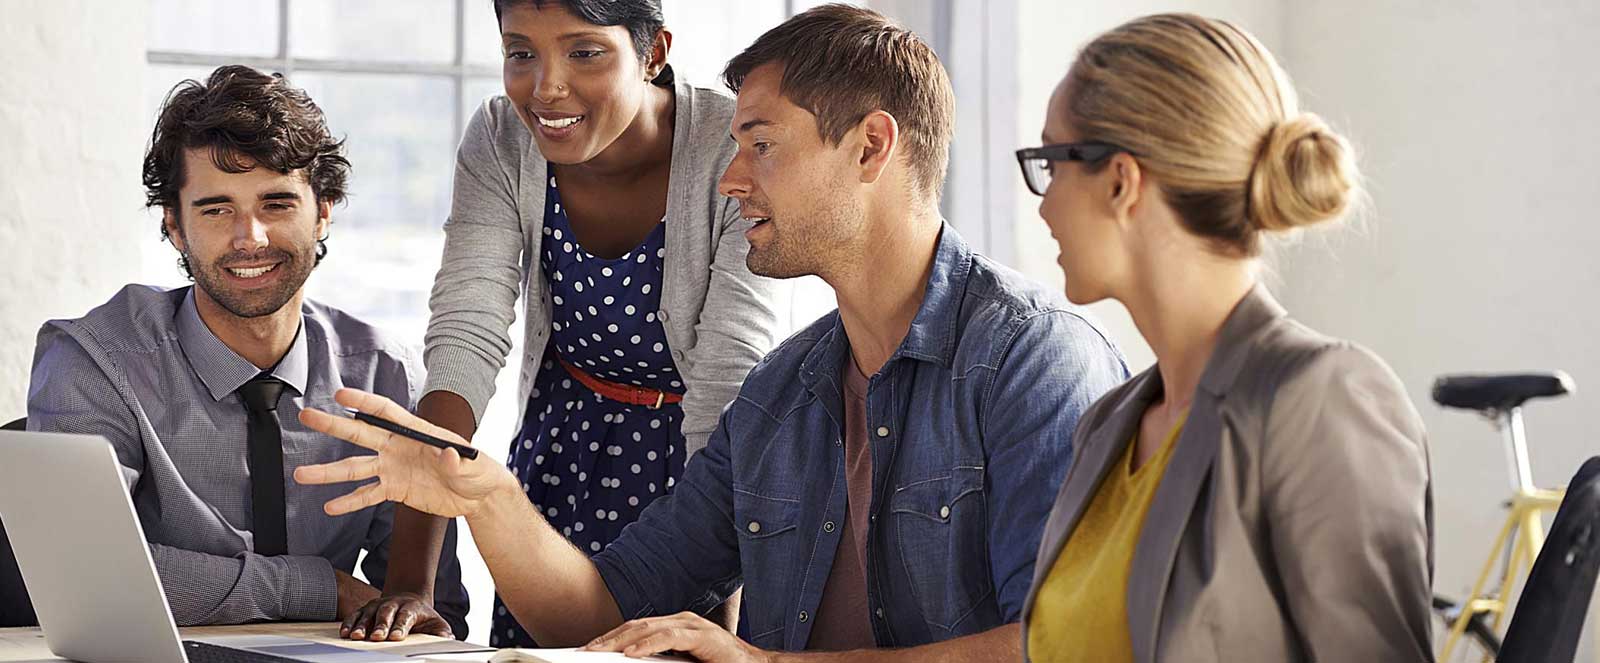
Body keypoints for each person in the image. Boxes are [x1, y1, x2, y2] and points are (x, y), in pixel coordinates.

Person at [297, 5, 1128, 661]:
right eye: (734, 145)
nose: (728, 179)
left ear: (872, 147)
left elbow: (1065, 646)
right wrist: (491, 495)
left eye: (760, 145)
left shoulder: (1032, 361)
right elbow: (606, 611)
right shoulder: (784, 394)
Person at [352, 0, 789, 644]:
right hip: (561, 453)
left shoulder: (732, 147)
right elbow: (465, 336)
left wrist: (718, 600)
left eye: (585, 52)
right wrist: (410, 584)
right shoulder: (503, 138)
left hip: (705, 469)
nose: (546, 86)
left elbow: (730, 378)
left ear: (653, 52)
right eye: (521, 53)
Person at [1015, 13, 1433, 662]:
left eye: (1051, 161)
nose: (1042, 204)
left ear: (1122, 181)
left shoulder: (1319, 399)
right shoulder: (1107, 425)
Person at [24, 65, 469, 635]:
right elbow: (81, 574)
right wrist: (320, 587)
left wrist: (400, 608)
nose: (249, 237)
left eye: (277, 203)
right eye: (216, 209)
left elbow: (429, 614)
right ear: (175, 226)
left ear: (324, 209)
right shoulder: (95, 360)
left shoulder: (389, 376)